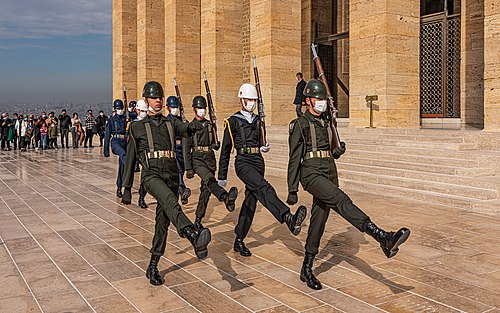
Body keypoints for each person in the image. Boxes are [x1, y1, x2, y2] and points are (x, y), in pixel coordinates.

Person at [287, 79, 410, 290]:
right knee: (341, 200)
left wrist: (337, 151)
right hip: (311, 173)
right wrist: (292, 189)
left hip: (329, 171)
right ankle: (381, 236)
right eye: (317, 99)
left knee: (319, 219)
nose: (321, 103)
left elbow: (329, 150)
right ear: (308, 100)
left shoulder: (326, 122)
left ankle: (306, 267)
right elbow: (294, 158)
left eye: (323, 99)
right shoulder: (299, 124)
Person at [121, 81, 210, 286]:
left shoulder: (171, 123)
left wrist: (197, 123)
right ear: (146, 100)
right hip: (151, 175)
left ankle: (153, 264)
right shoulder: (136, 127)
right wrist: (127, 187)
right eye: (154, 98)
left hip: (170, 174)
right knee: (171, 201)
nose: (158, 101)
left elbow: (186, 128)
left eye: (160, 97)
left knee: (162, 222)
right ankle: (190, 232)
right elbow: (131, 157)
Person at [218, 83, 308, 257]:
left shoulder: (258, 120)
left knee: (251, 202)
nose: (251, 102)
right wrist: (222, 176)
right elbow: (225, 150)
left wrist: (264, 145)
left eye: (254, 100)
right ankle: (287, 217)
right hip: (243, 162)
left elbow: (261, 140)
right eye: (249, 99)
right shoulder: (232, 121)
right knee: (264, 187)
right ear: (241, 99)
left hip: (258, 161)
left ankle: (239, 240)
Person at [186, 96, 239, 230]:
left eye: (203, 108)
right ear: (194, 110)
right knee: (209, 180)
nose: (202, 110)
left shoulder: (210, 125)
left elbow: (214, 144)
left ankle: (198, 219)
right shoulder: (190, 126)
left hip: (209, 159)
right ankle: (224, 196)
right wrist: (188, 168)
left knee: (206, 190)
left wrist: (216, 144)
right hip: (197, 159)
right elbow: (186, 148)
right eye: (199, 108)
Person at [166, 96, 191, 205]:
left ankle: (179, 192)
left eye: (176, 107)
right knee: (179, 171)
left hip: (183, 150)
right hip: (173, 150)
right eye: (173, 107)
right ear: (168, 108)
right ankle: (182, 191)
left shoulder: (182, 120)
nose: (175, 109)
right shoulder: (166, 121)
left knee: (181, 171)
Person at [104, 100, 128, 198]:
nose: (120, 110)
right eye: (118, 109)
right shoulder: (111, 120)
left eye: (121, 108)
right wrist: (106, 150)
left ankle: (119, 187)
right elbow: (107, 135)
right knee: (122, 154)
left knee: (122, 167)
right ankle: (128, 163)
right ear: (114, 109)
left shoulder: (125, 119)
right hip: (115, 142)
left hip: (124, 142)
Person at [134, 99, 149, 208]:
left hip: (151, 152)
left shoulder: (149, 122)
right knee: (145, 175)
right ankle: (141, 197)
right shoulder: (134, 124)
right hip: (141, 154)